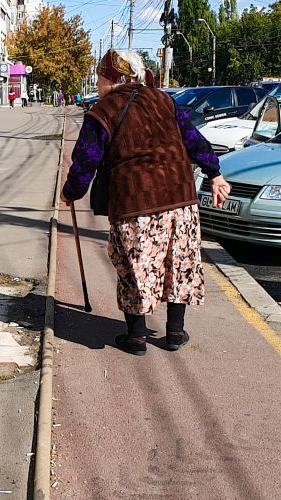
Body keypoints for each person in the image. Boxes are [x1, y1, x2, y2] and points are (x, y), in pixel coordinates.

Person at [60, 49, 231, 355]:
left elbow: (87, 159)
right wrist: (215, 174)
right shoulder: (164, 100)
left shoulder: (103, 110)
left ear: (114, 79)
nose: (97, 84)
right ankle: (175, 333)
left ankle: (137, 337)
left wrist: (71, 192)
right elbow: (194, 140)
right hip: (181, 199)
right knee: (179, 265)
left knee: (134, 268)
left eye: (100, 77)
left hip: (135, 203)